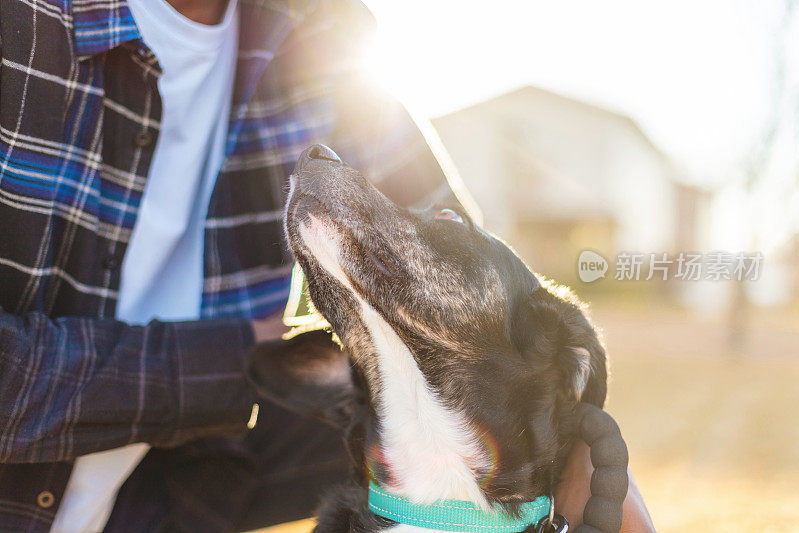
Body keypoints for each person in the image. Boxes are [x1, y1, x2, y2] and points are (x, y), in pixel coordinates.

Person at [0, 0, 656, 530]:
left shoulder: (325, 32)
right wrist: (227, 366)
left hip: (162, 498)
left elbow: (464, 293)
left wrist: (588, 472)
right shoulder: (24, 28)